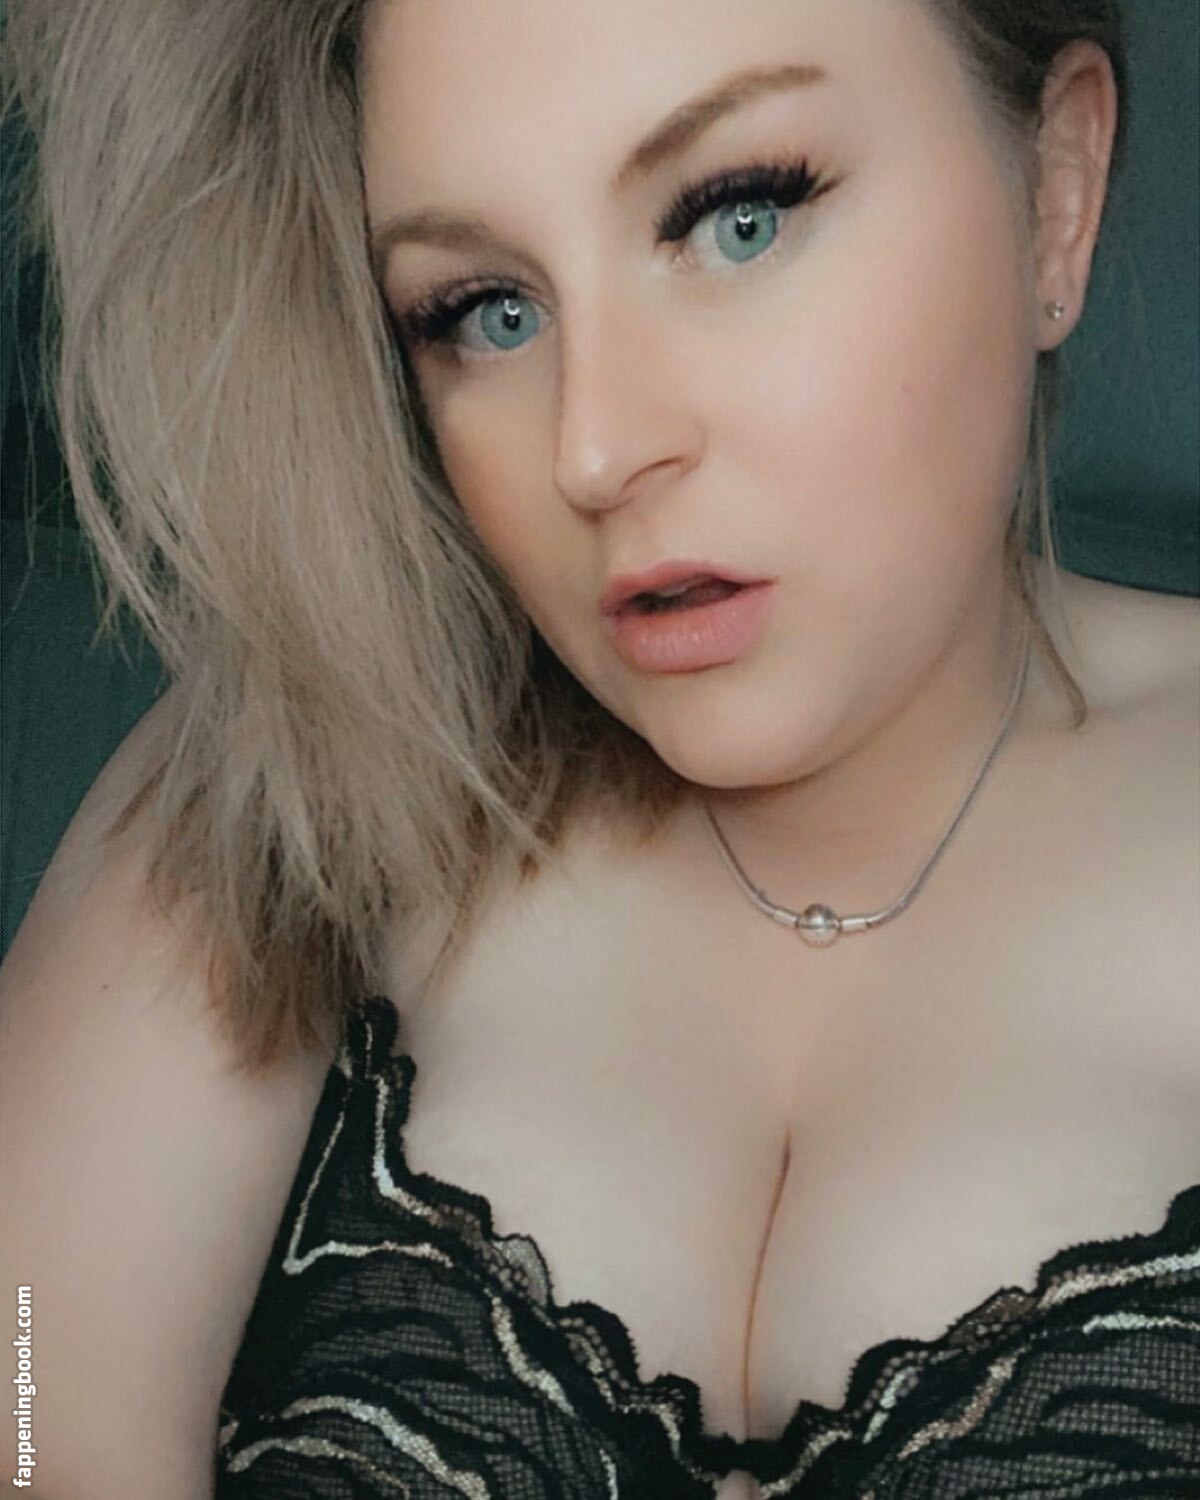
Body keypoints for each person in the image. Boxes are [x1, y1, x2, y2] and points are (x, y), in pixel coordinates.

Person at [1, 0, 1197, 1495]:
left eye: (740, 220)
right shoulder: (297, 773)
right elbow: (27, 1411)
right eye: (486, 311)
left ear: (1057, 190)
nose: (594, 448)